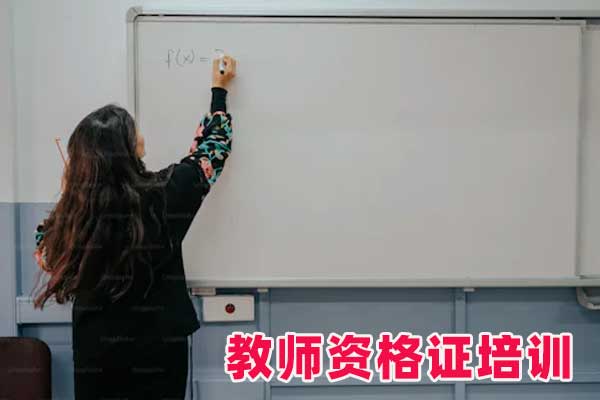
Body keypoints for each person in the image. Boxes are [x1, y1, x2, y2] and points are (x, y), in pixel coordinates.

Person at [32, 55, 237, 399]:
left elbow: (46, 255)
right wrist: (219, 90)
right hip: (160, 351)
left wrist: (71, 193)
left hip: (97, 352)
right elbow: (212, 149)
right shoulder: (167, 193)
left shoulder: (76, 214)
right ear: (129, 148)